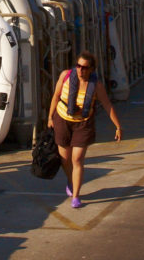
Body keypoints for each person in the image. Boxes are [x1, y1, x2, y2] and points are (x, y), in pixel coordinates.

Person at [46, 52, 122, 210]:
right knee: (64, 159)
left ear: (92, 69)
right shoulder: (65, 76)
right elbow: (55, 96)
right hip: (62, 119)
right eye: (78, 66)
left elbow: (107, 105)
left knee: (77, 159)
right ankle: (71, 181)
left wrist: (117, 126)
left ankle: (76, 196)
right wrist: (50, 117)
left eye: (85, 68)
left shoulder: (96, 86)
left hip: (83, 124)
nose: (80, 70)